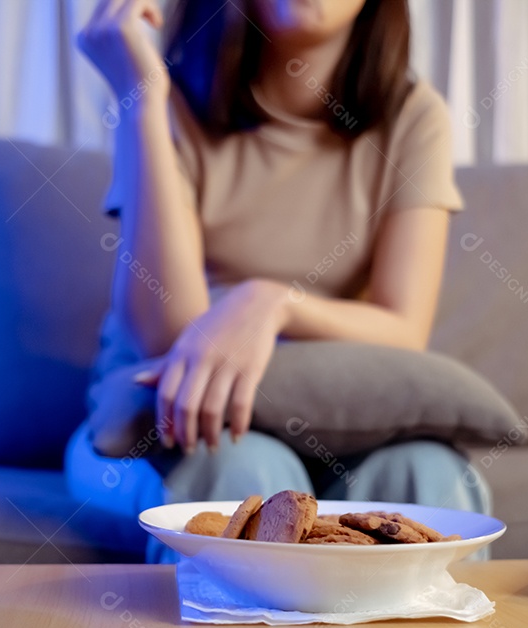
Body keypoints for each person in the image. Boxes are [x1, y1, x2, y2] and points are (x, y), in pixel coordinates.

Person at [66, 0, 490, 558]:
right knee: (239, 471)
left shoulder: (413, 116)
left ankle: (444, 623)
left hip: (340, 417)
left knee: (430, 475)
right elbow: (167, 336)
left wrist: (272, 303)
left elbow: (403, 329)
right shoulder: (165, 101)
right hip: (168, 426)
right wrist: (140, 99)